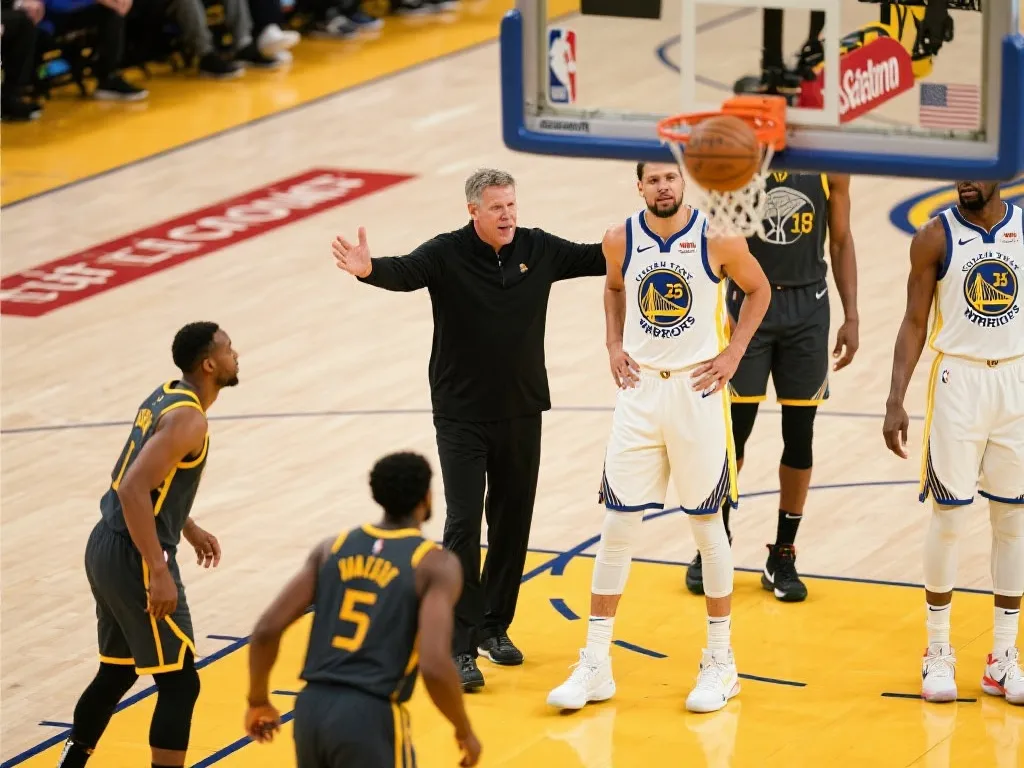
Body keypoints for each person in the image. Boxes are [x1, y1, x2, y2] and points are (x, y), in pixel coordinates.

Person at [331, 168, 606, 690]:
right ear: (473, 211)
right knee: (462, 523)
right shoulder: (446, 253)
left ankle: (493, 627)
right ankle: (459, 645)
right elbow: (405, 271)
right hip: (460, 413)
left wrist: (649, 234)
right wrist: (369, 270)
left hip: (521, 409)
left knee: (511, 521)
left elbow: (599, 257)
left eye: (512, 205)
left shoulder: (539, 249)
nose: (508, 215)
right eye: (497, 207)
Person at [546, 160, 770, 714]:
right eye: (654, 180)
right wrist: (612, 345)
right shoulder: (619, 238)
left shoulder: (718, 237)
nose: (663, 186)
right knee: (617, 525)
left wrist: (734, 352)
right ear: (639, 186)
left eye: (671, 178)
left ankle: (721, 662)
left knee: (706, 527)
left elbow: (759, 289)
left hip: (697, 391)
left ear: (683, 182)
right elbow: (613, 288)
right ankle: (596, 663)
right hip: (640, 392)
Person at [57, 322, 239, 768]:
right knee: (180, 684)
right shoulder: (189, 419)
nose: (236, 354)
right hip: (134, 554)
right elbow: (132, 488)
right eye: (229, 348)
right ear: (209, 364)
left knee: (117, 670)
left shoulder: (166, 395)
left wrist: (186, 525)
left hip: (107, 542)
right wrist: (158, 569)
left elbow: (134, 476)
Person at [684, 172, 859, 602]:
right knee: (733, 433)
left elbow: (840, 240)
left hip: (807, 308)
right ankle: (715, 542)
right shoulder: (738, 163)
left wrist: (852, 315)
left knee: (799, 436)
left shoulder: (829, 167)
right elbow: (714, 243)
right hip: (746, 301)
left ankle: (783, 553)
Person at [245, 451, 482, 767]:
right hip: (369, 714)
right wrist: (463, 729)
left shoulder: (331, 548)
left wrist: (258, 700)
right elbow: (434, 664)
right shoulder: (434, 564)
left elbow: (266, 630)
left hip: (311, 710)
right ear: (426, 496)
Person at [883, 181, 1023, 704]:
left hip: (1017, 380)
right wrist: (895, 397)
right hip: (958, 383)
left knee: (1013, 520)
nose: (966, 182)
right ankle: (938, 650)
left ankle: (1004, 657)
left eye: (976, 173)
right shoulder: (934, 237)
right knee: (949, 518)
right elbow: (913, 320)